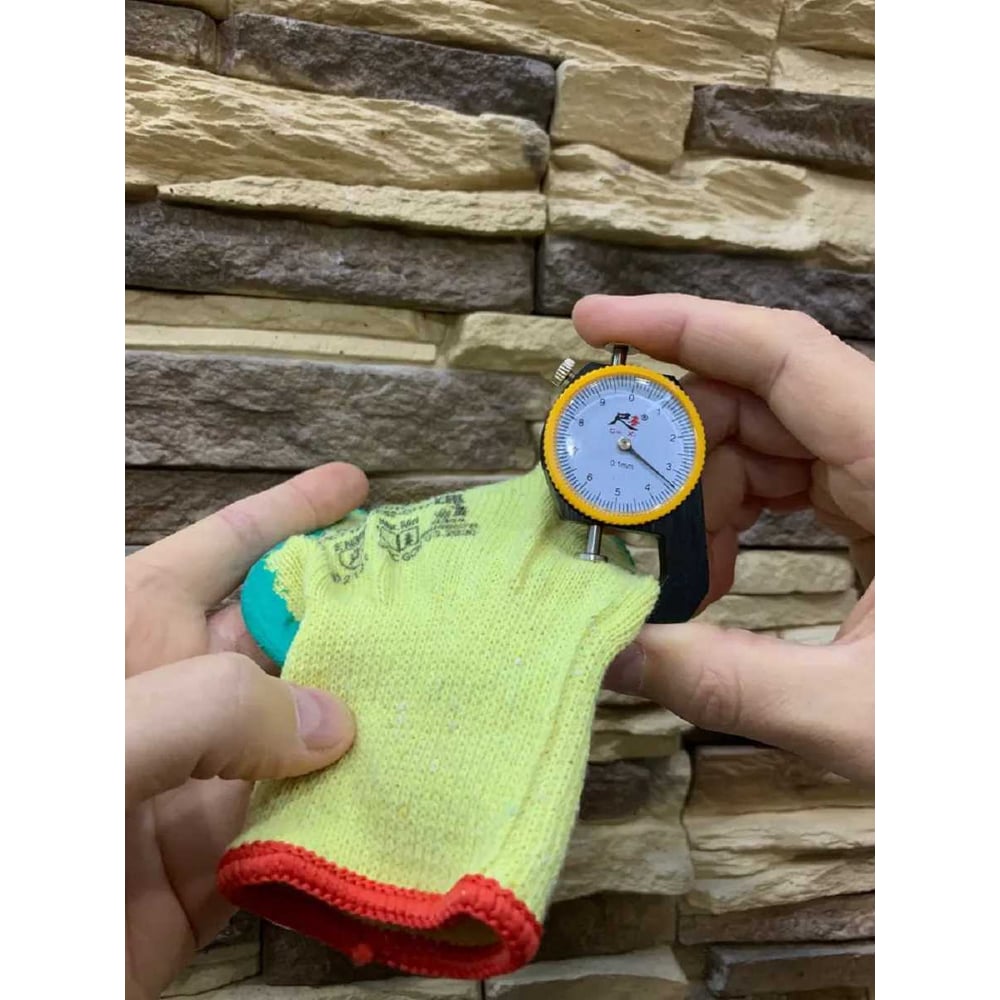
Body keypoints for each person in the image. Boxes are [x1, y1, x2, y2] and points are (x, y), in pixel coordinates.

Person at [125, 294, 873, 998]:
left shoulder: (592, 578)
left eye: (643, 446)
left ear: (679, 452)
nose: (623, 442)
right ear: (567, 430)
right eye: (610, 435)